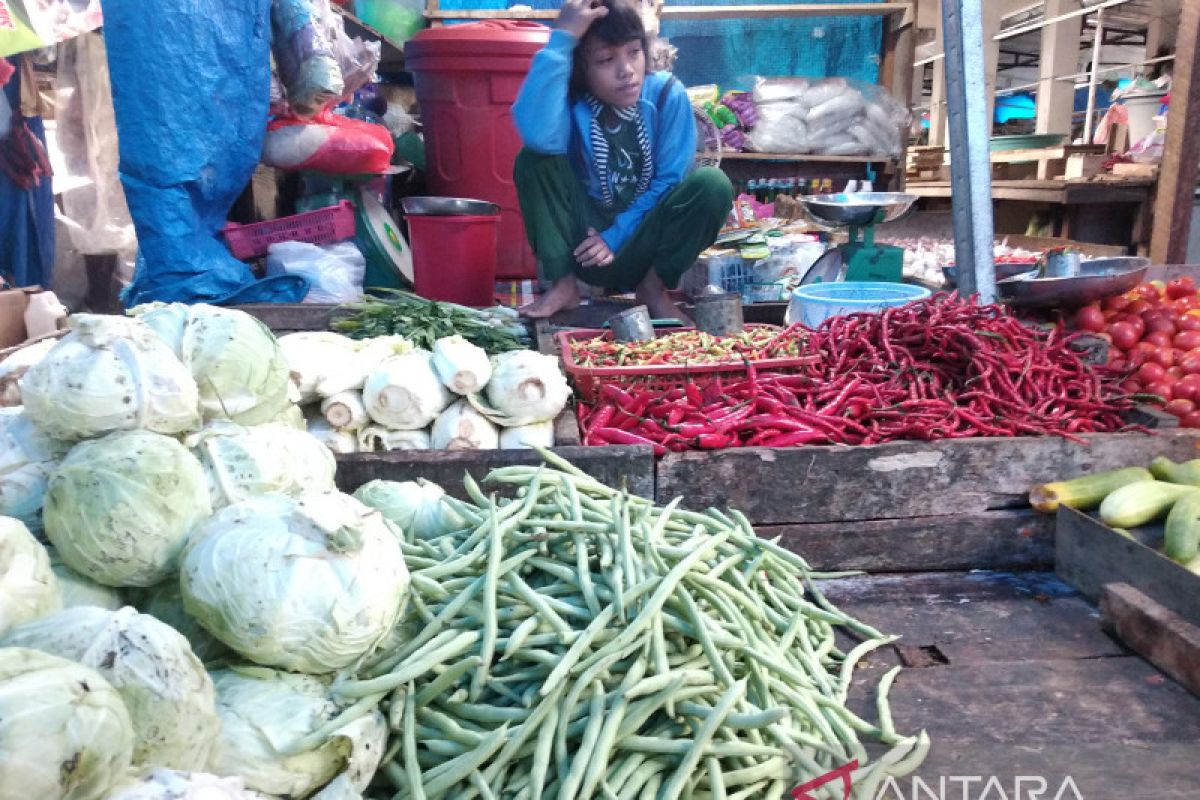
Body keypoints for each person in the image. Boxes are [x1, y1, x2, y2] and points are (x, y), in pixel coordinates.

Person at [512, 0, 733, 320]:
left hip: (643, 243)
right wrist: (562, 39)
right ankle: (563, 286)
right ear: (580, 70)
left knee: (712, 185)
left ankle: (653, 289)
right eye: (606, 59)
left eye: (634, 52)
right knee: (534, 160)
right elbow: (538, 138)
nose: (626, 70)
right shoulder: (571, 103)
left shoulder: (666, 95)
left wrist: (615, 235)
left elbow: (670, 181)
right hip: (584, 248)